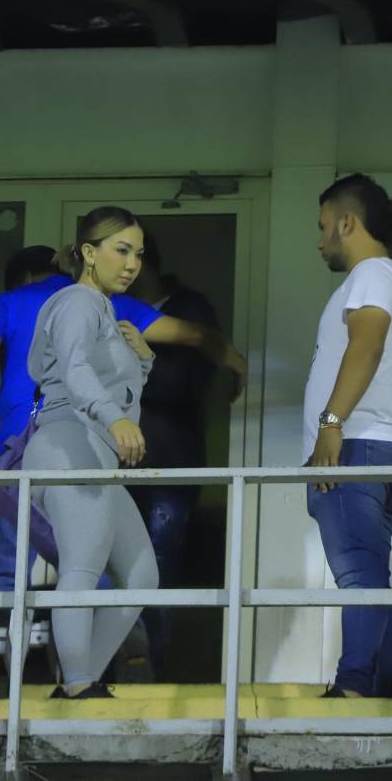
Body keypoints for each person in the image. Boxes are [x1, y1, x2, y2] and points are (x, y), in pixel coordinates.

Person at [0, 244, 247, 592]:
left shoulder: (11, 302)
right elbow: (194, 334)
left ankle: (11, 645)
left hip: (22, 457)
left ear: (22, 279)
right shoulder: (108, 303)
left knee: (5, 579)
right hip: (85, 455)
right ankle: (116, 644)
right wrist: (236, 363)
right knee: (91, 574)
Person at [23, 206, 158, 699]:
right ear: (88, 252)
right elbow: (77, 370)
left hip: (93, 451)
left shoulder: (103, 310)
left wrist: (143, 360)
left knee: (142, 572)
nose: (131, 264)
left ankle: (81, 682)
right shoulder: (77, 300)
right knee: (82, 564)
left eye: (138, 254)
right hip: (69, 443)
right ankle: (79, 683)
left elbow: (108, 383)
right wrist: (114, 415)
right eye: (120, 250)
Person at [302, 174, 392, 699]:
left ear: (347, 222)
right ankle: (377, 692)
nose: (320, 239)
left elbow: (366, 347)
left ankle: (352, 687)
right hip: (381, 446)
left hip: (358, 445)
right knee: (371, 573)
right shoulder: (382, 276)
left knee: (357, 575)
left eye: (324, 226)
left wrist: (331, 423)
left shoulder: (372, 273)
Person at [125, 232, 219, 671]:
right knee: (111, 567)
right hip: (115, 464)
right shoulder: (105, 308)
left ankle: (150, 671)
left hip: (169, 463)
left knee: (157, 566)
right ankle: (104, 670)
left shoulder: (188, 310)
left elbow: (185, 386)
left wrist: (141, 360)